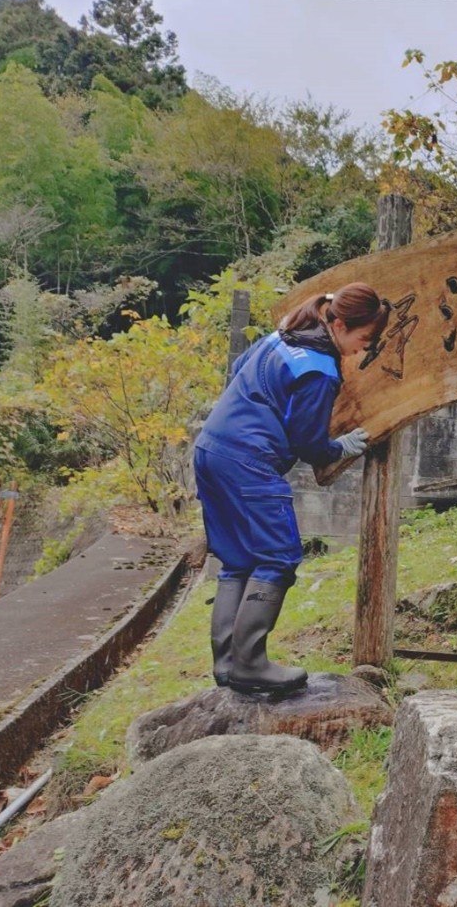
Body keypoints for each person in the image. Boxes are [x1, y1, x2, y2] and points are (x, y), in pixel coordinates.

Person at [194, 283, 389, 694]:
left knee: (237, 559)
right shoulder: (319, 368)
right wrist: (339, 446)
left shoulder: (282, 336)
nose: (360, 351)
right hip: (249, 460)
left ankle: (228, 665)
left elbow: (239, 369)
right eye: (362, 339)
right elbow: (306, 441)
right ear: (338, 324)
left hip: (211, 449)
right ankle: (250, 664)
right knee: (278, 556)